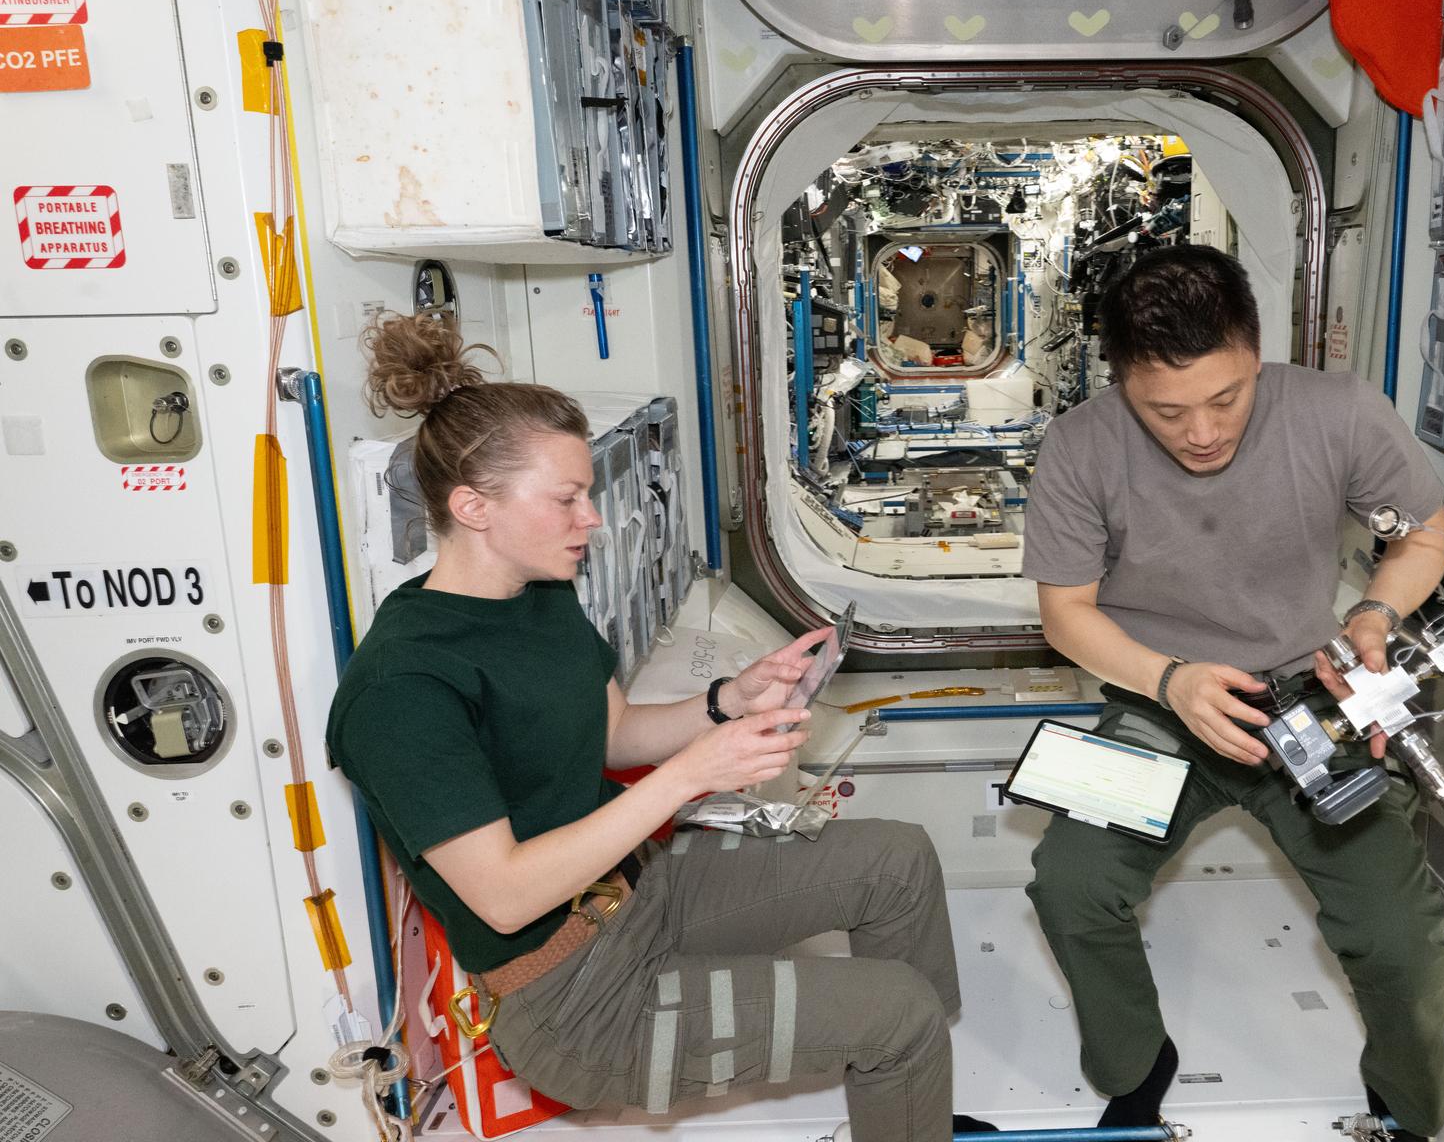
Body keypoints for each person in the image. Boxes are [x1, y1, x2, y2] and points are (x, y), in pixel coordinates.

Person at [326, 314, 994, 1140]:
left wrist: (730, 701)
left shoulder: (537, 597)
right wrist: (692, 775)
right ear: (474, 508)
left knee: (897, 862)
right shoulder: (402, 688)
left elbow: (609, 738)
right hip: (574, 1001)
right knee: (899, 1014)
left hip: (635, 897)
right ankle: (901, 1053)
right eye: (567, 498)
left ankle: (904, 1090)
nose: (592, 519)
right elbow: (503, 898)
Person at [1019, 246, 1444, 1138]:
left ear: (1257, 354)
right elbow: (1065, 614)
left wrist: (1372, 617)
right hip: (1157, 699)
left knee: (1399, 937)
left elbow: (1424, 538)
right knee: (1070, 885)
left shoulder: (1339, 414)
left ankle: (1412, 1101)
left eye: (1227, 398)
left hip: (1312, 691)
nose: (1204, 432)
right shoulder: (1079, 446)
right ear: (1121, 384)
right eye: (1167, 411)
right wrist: (1170, 682)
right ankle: (1135, 1065)